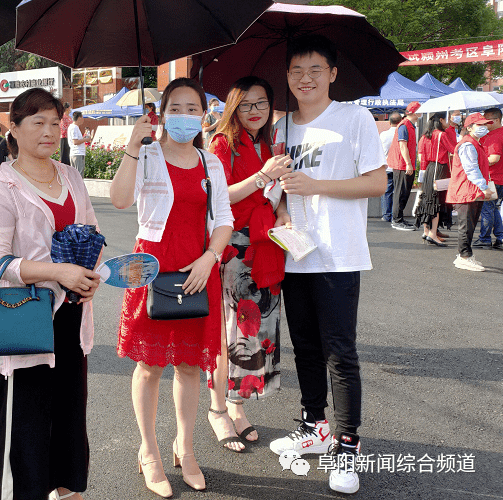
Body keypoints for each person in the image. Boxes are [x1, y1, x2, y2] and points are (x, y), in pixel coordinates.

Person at [269, 35, 386, 495]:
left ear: (333, 74)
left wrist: (317, 185)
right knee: (306, 348)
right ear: (288, 77)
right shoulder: (282, 127)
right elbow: (277, 192)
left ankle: (346, 445)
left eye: (316, 69)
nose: (306, 78)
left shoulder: (354, 117)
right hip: (295, 255)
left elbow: (376, 182)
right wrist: (280, 209)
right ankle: (314, 427)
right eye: (297, 70)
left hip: (338, 253)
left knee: (341, 352)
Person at [110, 78, 234, 497]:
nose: (184, 116)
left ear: (204, 114)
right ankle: (149, 450)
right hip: (150, 267)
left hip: (198, 269)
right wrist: (132, 146)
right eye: (175, 109)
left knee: (188, 366)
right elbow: (121, 199)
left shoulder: (209, 160)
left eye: (192, 108)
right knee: (149, 366)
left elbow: (225, 221)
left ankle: (186, 445)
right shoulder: (145, 154)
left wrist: (209, 257)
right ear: (162, 114)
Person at [0, 88, 101, 500]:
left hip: (73, 318)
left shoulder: (71, 176)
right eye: (38, 122)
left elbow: (92, 235)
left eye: (55, 123)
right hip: (28, 321)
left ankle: (68, 491)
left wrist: (90, 273)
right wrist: (58, 271)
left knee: (69, 419)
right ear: (13, 128)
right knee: (25, 428)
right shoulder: (2, 187)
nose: (50, 132)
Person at [206, 77, 292, 454]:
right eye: (247, 105)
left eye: (262, 103)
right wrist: (264, 175)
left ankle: (237, 404)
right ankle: (217, 409)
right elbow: (219, 195)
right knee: (232, 332)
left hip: (267, 242)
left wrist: (284, 214)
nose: (255, 111)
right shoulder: (222, 143)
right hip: (235, 247)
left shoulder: (272, 142)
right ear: (233, 108)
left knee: (256, 330)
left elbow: (280, 191)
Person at [447, 112, 495, 271]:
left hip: (470, 191)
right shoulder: (468, 144)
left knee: (469, 225)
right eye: (479, 125)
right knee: (466, 226)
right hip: (466, 190)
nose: (484, 128)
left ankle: (466, 254)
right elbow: (471, 169)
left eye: (484, 125)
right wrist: (484, 186)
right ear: (469, 127)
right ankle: (464, 257)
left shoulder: (474, 143)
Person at [414, 112, 454, 246]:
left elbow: (421, 156)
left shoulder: (425, 136)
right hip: (440, 169)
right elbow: (453, 149)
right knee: (437, 201)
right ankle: (433, 233)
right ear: (441, 120)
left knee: (428, 200)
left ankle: (427, 231)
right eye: (446, 119)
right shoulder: (441, 134)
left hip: (429, 169)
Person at [386, 101, 421, 231]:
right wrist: (408, 164)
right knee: (400, 193)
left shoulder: (409, 125)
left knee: (403, 193)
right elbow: (402, 145)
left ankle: (399, 218)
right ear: (414, 112)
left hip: (404, 164)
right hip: (401, 164)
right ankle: (396, 220)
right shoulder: (404, 125)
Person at [475, 107, 503, 249]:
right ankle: (500, 237)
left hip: (493, 178)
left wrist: (477, 161)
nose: (484, 123)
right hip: (498, 178)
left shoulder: (495, 136)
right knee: (493, 209)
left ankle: (485, 239)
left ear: (496, 120)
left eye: (487, 120)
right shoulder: (496, 134)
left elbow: (494, 158)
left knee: (487, 209)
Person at [379, 112, 402, 222]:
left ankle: (386, 215)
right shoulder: (401, 134)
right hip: (398, 166)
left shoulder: (383, 135)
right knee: (398, 192)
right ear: (401, 122)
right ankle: (395, 215)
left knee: (387, 192)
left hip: (386, 166)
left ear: (389, 122)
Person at [67, 111, 91, 177]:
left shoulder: (73, 127)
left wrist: (84, 138)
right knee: (79, 176)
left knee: (75, 176)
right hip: (78, 153)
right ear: (79, 118)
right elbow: (75, 142)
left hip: (75, 153)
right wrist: (86, 139)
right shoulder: (74, 127)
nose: (83, 119)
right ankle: (78, 187)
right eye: (82, 117)